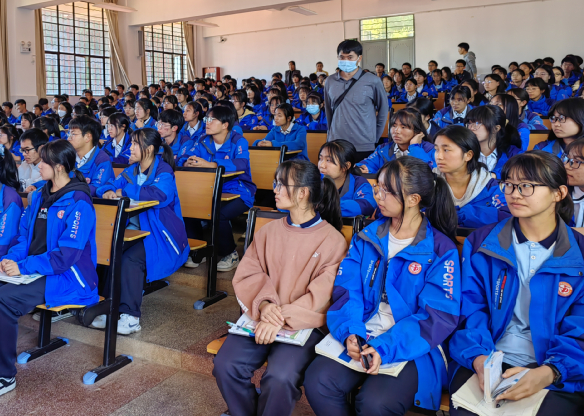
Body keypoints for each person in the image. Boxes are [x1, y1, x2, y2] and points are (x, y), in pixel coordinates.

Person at [304, 155, 461, 416]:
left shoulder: (440, 250)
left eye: (387, 191)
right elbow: (347, 290)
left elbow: (436, 316)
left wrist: (384, 347)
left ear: (414, 199)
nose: (378, 196)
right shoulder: (367, 237)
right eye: (378, 187)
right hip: (363, 329)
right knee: (319, 382)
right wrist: (351, 332)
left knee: (376, 403)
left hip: (412, 343)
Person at [0, 140, 97, 402]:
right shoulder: (39, 195)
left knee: (3, 300)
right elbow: (23, 237)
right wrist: (9, 260)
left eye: (44, 162)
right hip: (33, 269)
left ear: (59, 166)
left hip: (65, 275)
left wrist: (23, 266)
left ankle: (2, 375)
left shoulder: (79, 202)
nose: (38, 166)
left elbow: (66, 256)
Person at [449, 151, 584, 415]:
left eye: (527, 186)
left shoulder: (578, 254)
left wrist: (550, 371)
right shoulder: (483, 243)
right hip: (486, 356)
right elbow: (470, 309)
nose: (514, 194)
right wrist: (479, 358)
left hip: (555, 367)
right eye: (509, 184)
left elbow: (580, 327)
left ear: (559, 193)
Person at [213, 160, 346, 416]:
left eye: (282, 184)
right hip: (261, 315)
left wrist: (280, 317)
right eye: (276, 183)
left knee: (281, 377)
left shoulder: (333, 241)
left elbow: (322, 294)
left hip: (304, 324)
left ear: (303, 192)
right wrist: (265, 305)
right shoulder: (269, 231)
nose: (274, 189)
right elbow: (249, 273)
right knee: (225, 365)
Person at [94, 129, 189, 334]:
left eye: (136, 144)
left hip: (160, 235)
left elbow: (159, 195)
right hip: (134, 231)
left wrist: (124, 191)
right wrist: (107, 191)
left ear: (150, 149)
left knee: (130, 259)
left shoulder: (163, 171)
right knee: (111, 252)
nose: (131, 148)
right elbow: (109, 185)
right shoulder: (131, 171)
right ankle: (108, 308)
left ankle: (131, 316)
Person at [180, 106, 256, 270]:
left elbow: (241, 163)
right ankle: (199, 250)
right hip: (208, 190)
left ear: (225, 124)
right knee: (188, 208)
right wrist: (187, 162)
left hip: (239, 190)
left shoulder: (238, 141)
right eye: (206, 119)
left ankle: (230, 253)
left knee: (218, 213)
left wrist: (212, 165)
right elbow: (185, 157)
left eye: (212, 120)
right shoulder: (203, 140)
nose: (207, 123)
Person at [324, 40, 389, 163]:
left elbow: (383, 109)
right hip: (337, 143)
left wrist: (374, 137)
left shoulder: (373, 81)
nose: (345, 60)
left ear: (359, 58)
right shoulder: (330, 81)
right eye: (342, 57)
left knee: (362, 175)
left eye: (350, 57)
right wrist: (331, 136)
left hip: (363, 144)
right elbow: (328, 110)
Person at [433, 125, 511, 228]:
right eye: (436, 149)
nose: (439, 156)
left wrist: (457, 215)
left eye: (446, 150)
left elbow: (508, 216)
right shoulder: (428, 182)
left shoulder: (490, 187)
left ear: (468, 155)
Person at [357, 109, 436, 174]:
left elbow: (428, 173)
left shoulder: (430, 150)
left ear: (417, 132)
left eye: (403, 127)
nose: (396, 131)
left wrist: (414, 147)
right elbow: (368, 164)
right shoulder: (383, 149)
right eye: (394, 126)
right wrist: (362, 168)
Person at [318, 140, 377, 217]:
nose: (321, 165)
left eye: (328, 160)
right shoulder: (315, 180)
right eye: (320, 159)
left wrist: (325, 206)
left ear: (346, 166)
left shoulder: (359, 183)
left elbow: (367, 205)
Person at [464, 105, 522, 178]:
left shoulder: (513, 153)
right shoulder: (463, 150)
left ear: (496, 128)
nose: (471, 128)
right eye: (469, 123)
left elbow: (515, 174)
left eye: (477, 123)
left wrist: (494, 176)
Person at [66, 117, 114, 196]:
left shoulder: (102, 160)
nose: (68, 138)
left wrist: (67, 190)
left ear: (88, 137)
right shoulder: (67, 156)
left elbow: (97, 187)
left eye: (73, 134)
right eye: (69, 134)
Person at [17, 129, 49, 193]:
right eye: (22, 150)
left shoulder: (49, 169)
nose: (24, 154)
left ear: (41, 148)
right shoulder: (24, 165)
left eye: (27, 150)